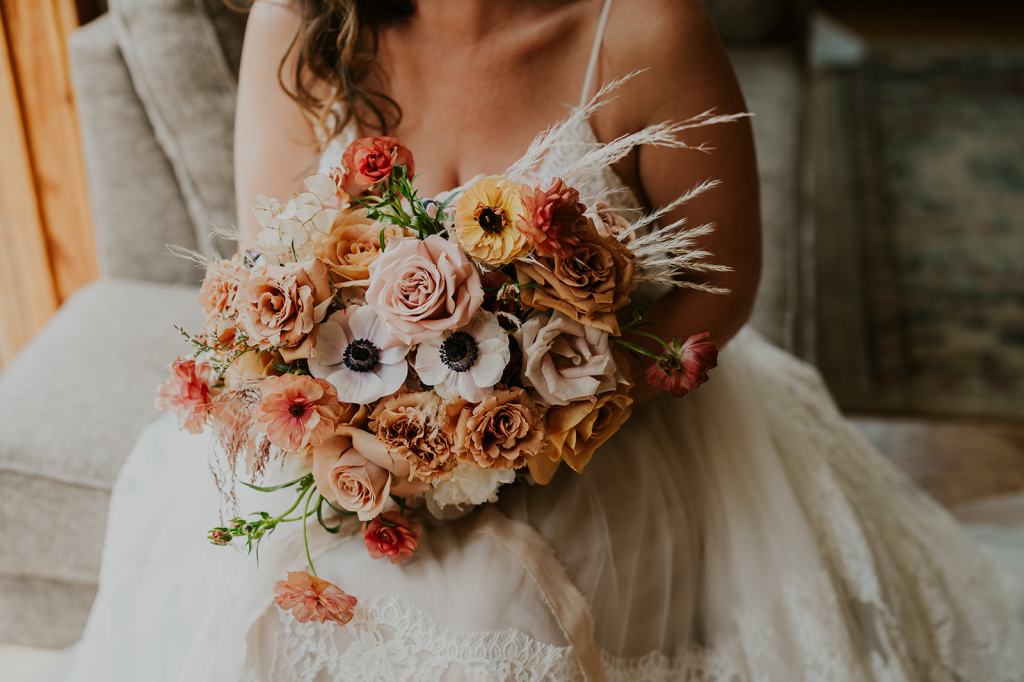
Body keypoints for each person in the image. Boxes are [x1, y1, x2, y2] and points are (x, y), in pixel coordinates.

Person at [61, 0, 1024, 679]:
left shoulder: (645, 27)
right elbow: (278, 274)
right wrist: (390, 443)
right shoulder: (305, 22)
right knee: (270, 603)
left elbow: (719, 291)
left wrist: (533, 416)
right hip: (352, 452)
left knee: (497, 614)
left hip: (603, 432)